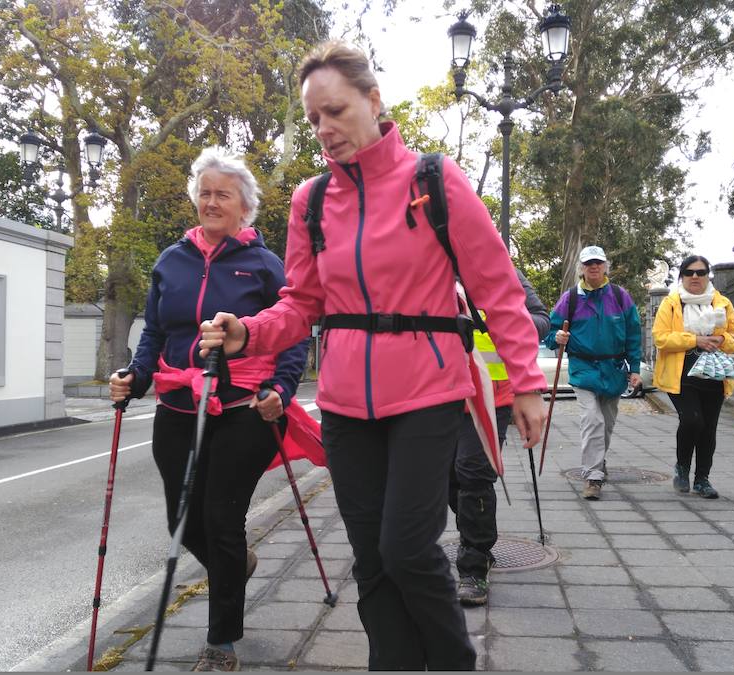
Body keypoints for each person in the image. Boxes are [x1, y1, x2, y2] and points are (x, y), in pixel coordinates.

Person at [198, 41, 547, 671]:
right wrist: (247, 332)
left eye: (335, 111)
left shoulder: (433, 181)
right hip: (344, 405)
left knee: (408, 548)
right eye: (313, 119)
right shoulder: (310, 202)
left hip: (428, 392)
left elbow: (497, 288)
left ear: (373, 99)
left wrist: (524, 382)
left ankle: (450, 663)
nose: (325, 130)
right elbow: (301, 302)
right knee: (370, 557)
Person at [108, 147, 309, 672]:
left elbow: (291, 334)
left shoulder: (264, 266)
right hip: (177, 405)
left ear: (245, 207)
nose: (211, 201)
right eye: (205, 192)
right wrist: (136, 374)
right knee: (184, 519)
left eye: (223, 194)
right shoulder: (171, 261)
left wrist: (281, 389)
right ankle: (234, 568)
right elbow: (154, 332)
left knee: (222, 518)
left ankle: (221, 641)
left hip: (244, 408)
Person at [450, 270, 550, 606]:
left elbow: (541, 320)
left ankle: (474, 563)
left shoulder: (499, 266)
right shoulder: (423, 259)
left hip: (492, 392)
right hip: (437, 389)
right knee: (445, 478)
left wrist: (498, 319)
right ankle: (473, 537)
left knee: (473, 472)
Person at [545, 245, 642, 501]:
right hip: (584, 368)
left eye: (598, 262)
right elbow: (550, 333)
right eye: (589, 264)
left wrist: (635, 369)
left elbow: (633, 334)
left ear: (605, 266)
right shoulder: (570, 299)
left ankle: (598, 462)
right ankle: (593, 476)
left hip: (613, 370)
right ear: (582, 268)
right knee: (593, 420)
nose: (594, 267)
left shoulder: (621, 297)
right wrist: (557, 337)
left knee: (607, 424)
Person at [652, 254, 734, 499]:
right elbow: (660, 337)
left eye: (701, 272)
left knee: (708, 428)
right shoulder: (671, 303)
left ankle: (702, 479)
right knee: (693, 420)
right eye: (690, 272)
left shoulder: (722, 303)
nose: (695, 277)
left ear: (707, 276)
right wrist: (695, 340)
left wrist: (722, 339)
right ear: (682, 275)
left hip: (715, 375)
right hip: (680, 375)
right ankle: (682, 467)